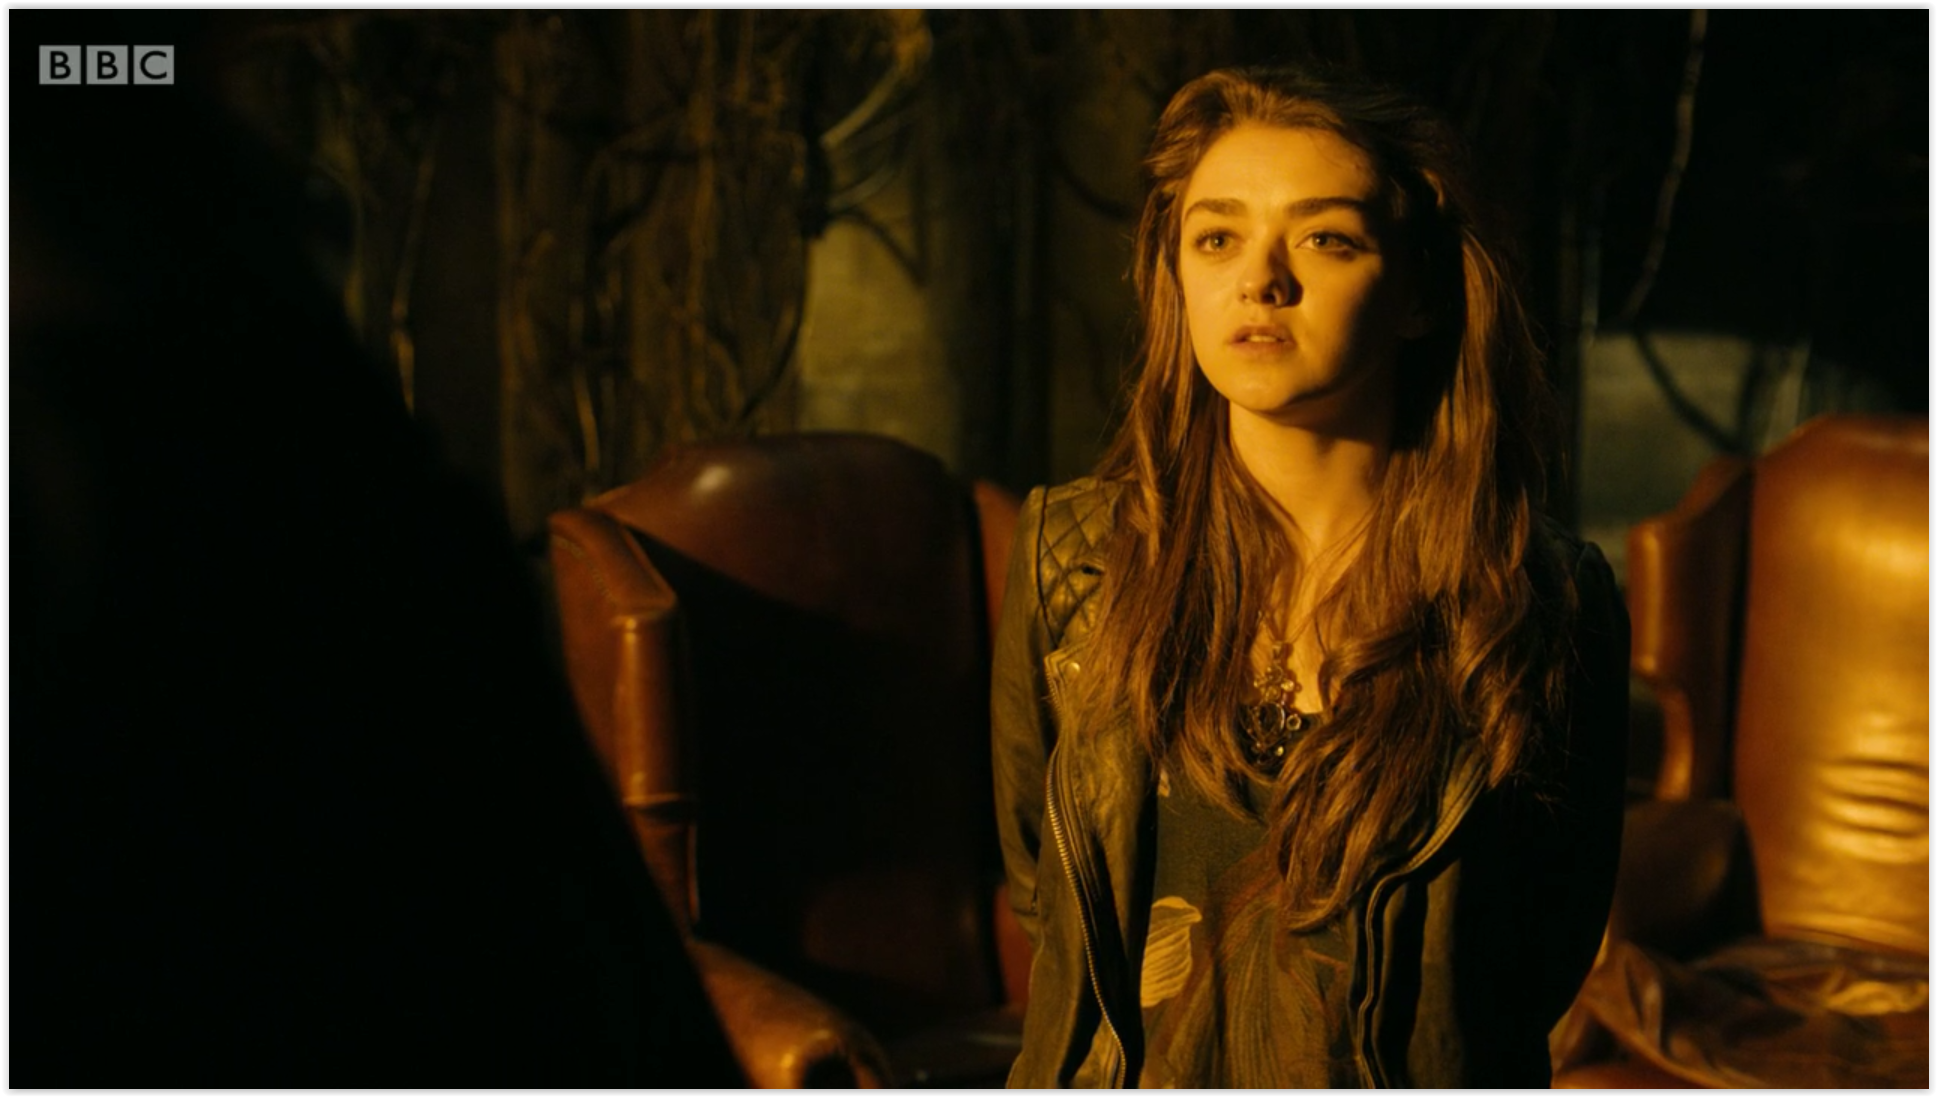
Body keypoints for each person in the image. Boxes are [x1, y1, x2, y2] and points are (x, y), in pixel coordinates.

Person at [993, 64, 1629, 1088]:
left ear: (1416, 292)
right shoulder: (1071, 556)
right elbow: (1048, 889)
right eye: (1216, 237)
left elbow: (1532, 957)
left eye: (1325, 238)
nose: (1260, 280)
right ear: (1175, 276)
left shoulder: (1534, 597)